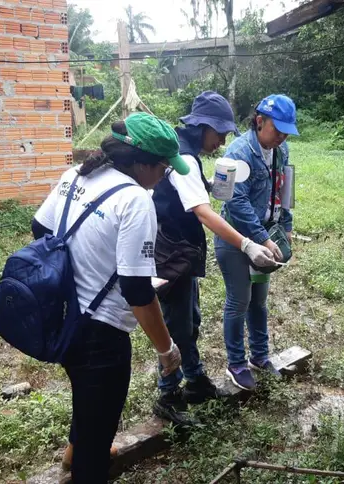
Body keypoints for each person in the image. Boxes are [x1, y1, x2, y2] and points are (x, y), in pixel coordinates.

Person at [32, 112, 185, 483]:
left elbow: (40, 228)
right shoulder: (135, 200)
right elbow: (136, 289)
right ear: (144, 165)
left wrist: (86, 264)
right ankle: (87, 458)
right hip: (100, 333)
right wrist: (166, 350)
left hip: (63, 314)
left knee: (86, 394)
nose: (164, 176)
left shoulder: (77, 175)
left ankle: (75, 450)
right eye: (164, 168)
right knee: (97, 436)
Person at [151, 91, 277, 425]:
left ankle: (195, 381)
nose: (222, 140)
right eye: (219, 132)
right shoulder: (185, 159)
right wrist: (247, 244)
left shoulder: (184, 153)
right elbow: (205, 214)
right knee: (177, 323)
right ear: (203, 126)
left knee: (189, 319)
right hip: (171, 252)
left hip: (180, 248)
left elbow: (187, 195)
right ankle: (168, 394)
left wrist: (210, 184)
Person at [215, 94, 299, 391]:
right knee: (239, 301)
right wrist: (260, 238)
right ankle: (236, 363)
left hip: (266, 235)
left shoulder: (282, 150)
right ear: (260, 121)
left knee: (259, 302)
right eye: (278, 130)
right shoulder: (237, 153)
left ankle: (260, 357)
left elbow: (285, 188)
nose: (282, 137)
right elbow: (233, 201)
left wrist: (285, 227)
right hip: (236, 239)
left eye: (287, 131)